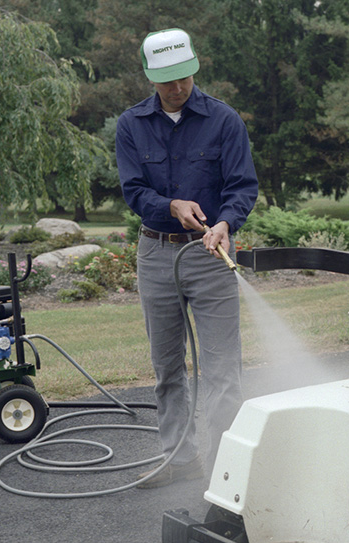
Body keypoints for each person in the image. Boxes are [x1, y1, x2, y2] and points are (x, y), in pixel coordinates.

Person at [115, 27, 259, 488]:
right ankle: (179, 460)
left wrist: (225, 224)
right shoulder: (131, 125)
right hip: (156, 255)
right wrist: (170, 206)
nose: (179, 88)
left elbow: (242, 187)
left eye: (185, 78)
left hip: (212, 255)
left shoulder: (224, 120)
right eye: (168, 80)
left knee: (222, 371)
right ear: (150, 77)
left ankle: (225, 469)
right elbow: (134, 190)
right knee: (167, 368)